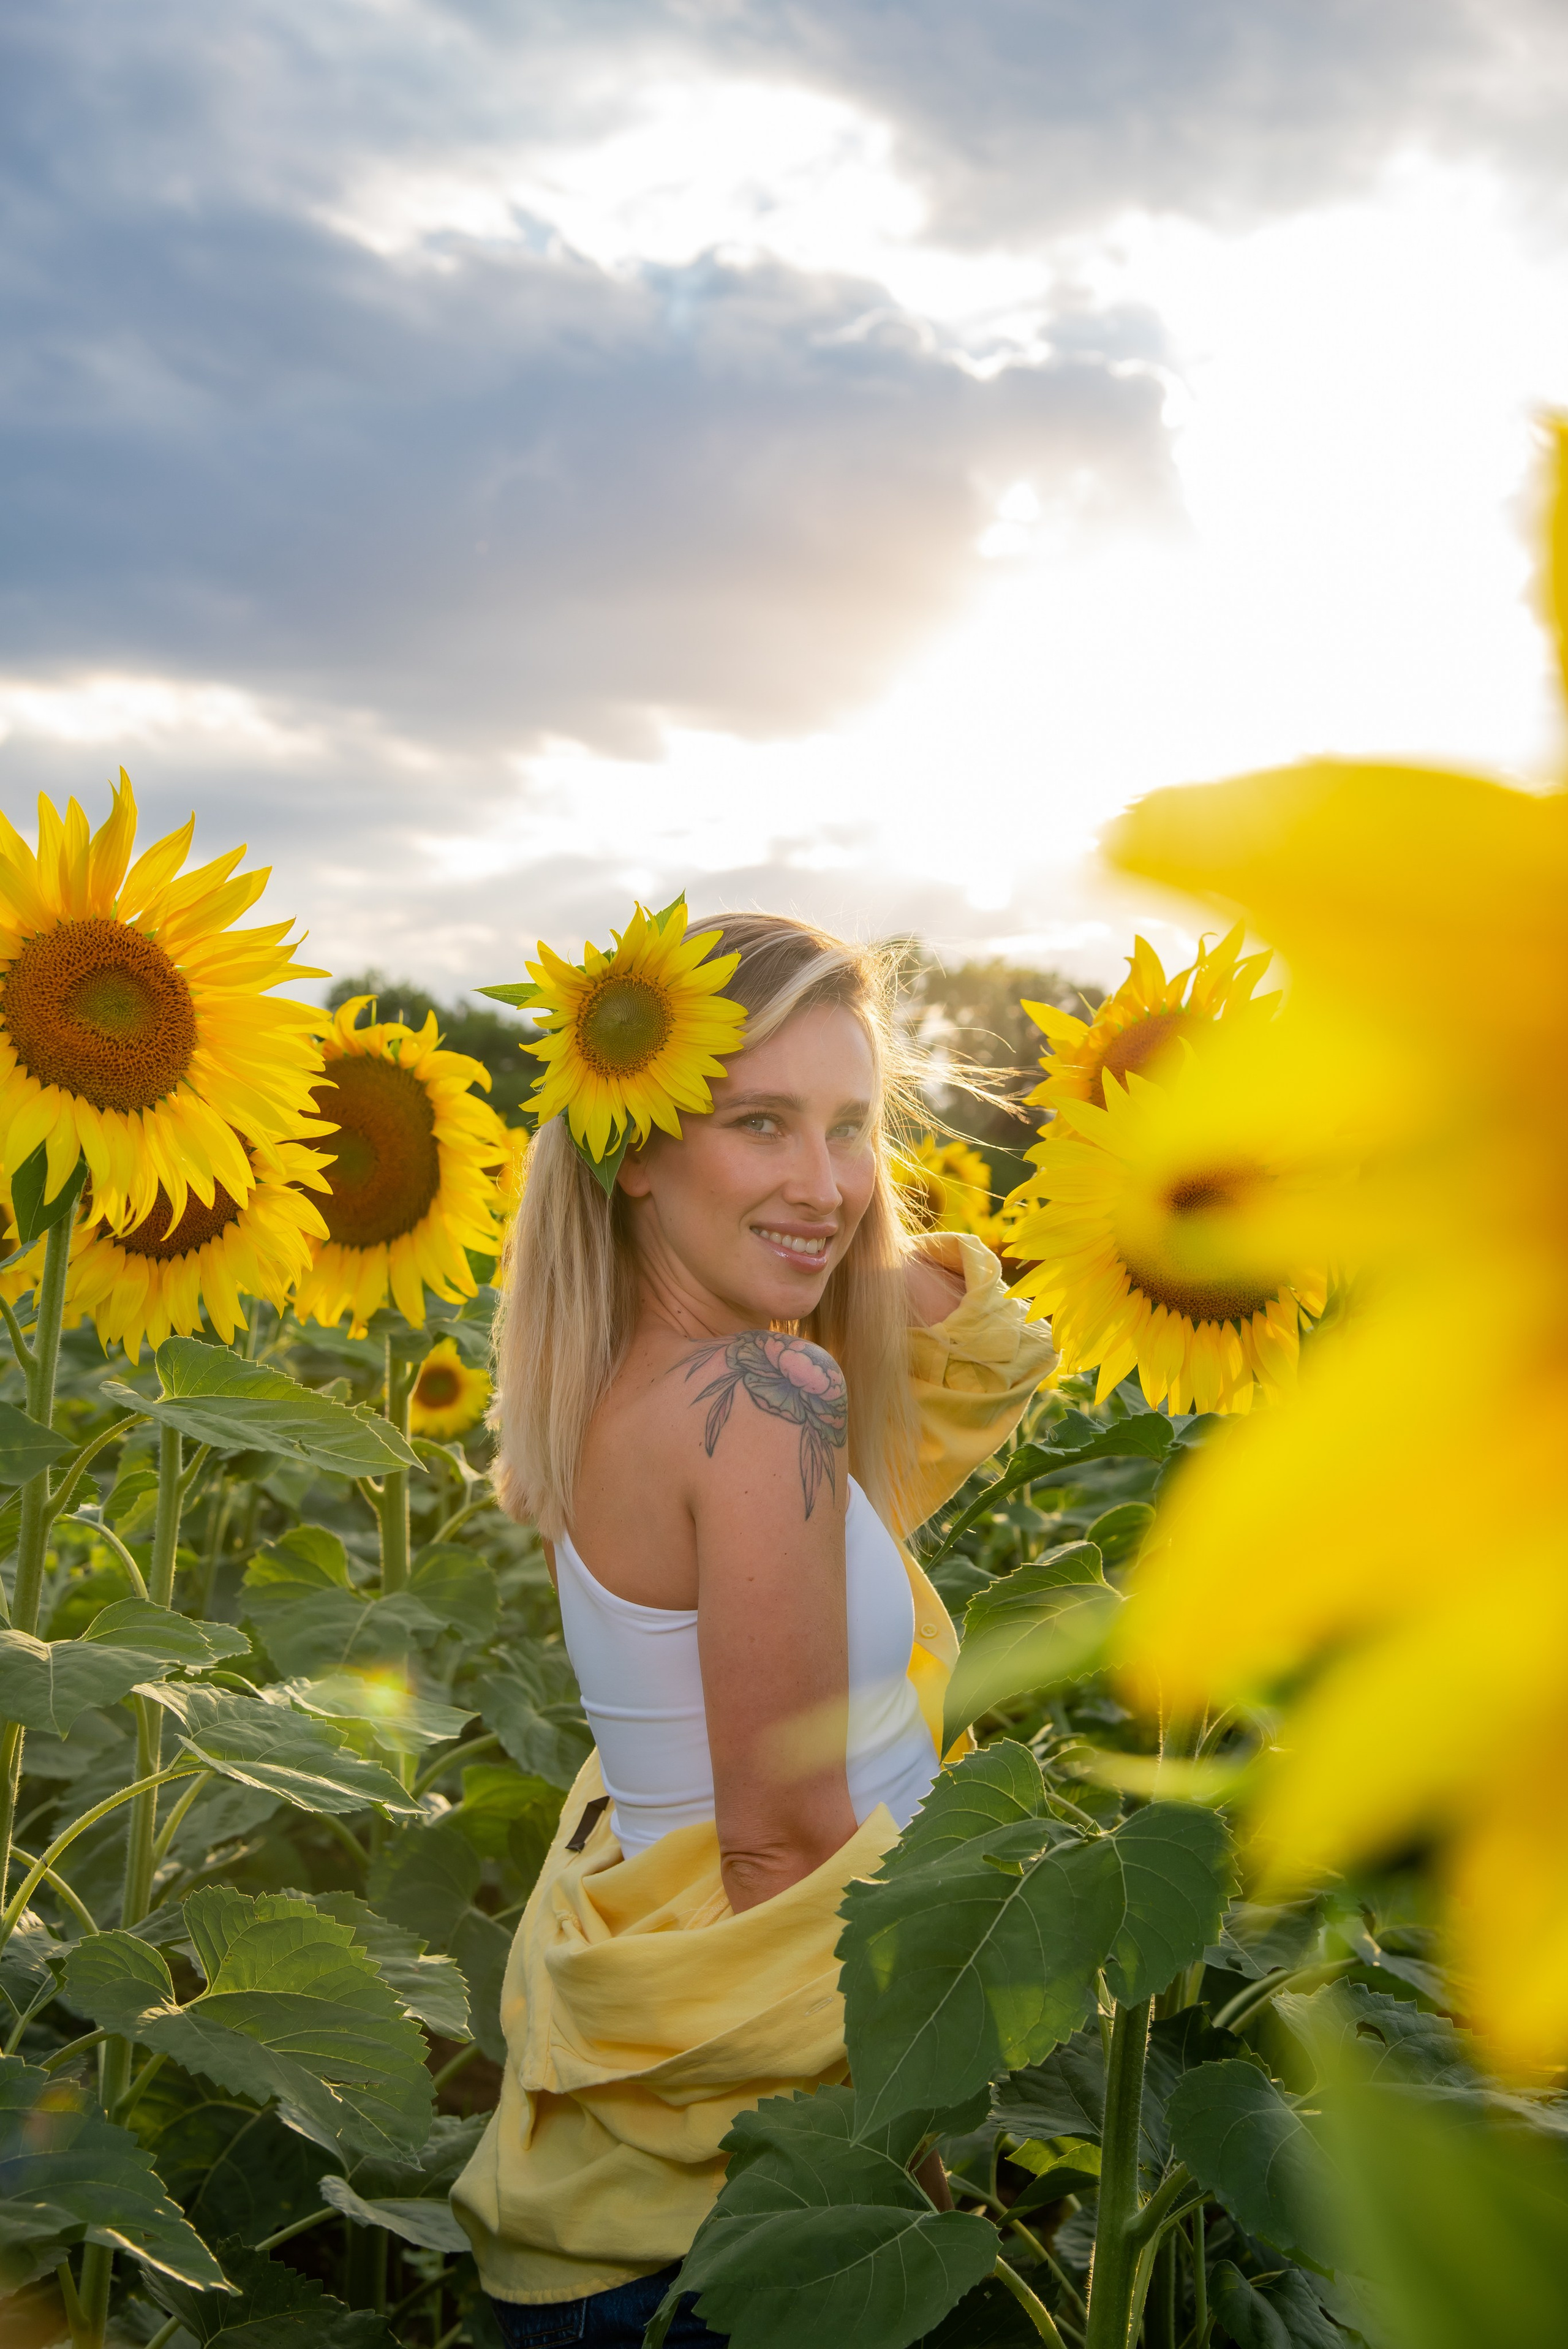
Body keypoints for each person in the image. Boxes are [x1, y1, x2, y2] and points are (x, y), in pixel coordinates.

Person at [453, 911, 1055, 2347]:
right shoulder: (764, 1403)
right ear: (637, 1148)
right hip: (744, 2203)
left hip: (642, 2197)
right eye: (758, 1122)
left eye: (850, 1127)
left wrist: (817, 1224)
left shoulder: (630, 1380)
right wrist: (901, 2195)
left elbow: (971, 1354)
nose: (825, 1179)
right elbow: (782, 1845)